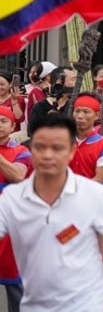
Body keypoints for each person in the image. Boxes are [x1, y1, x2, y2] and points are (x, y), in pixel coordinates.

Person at [0, 113, 103, 311]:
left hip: (85, 304)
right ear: (31, 150)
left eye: (57, 148)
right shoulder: (12, 199)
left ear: (72, 151)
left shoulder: (94, 196)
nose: (48, 155)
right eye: (40, 147)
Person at [0, 107, 31, 311]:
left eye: (3, 121)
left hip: (11, 222)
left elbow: (18, 176)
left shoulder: (22, 152)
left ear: (13, 126)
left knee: (15, 282)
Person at [71, 93, 103, 183]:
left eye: (86, 112)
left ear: (96, 115)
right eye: (77, 111)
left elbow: (99, 179)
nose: (80, 116)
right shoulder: (64, 141)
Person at [28, 66, 77, 135]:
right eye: (73, 79)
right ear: (59, 82)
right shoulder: (39, 107)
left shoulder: (75, 106)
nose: (76, 83)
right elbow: (31, 134)